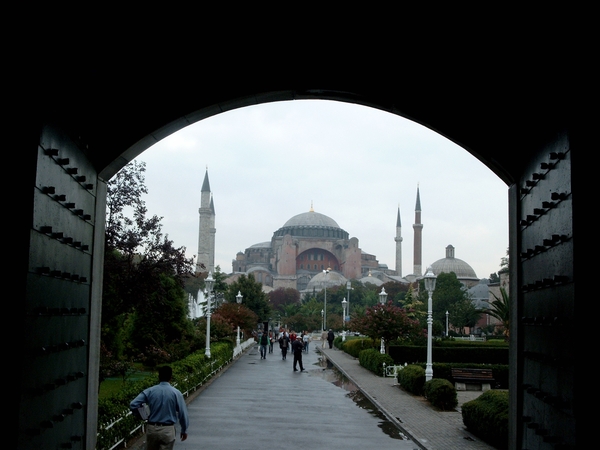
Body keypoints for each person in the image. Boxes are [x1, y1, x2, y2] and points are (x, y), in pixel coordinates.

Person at [130, 365, 189, 450]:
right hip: (168, 429)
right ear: (170, 377)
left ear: (159, 377)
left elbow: (133, 404)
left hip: (152, 428)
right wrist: (184, 430)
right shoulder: (176, 393)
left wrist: (141, 415)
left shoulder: (150, 391)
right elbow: (183, 413)